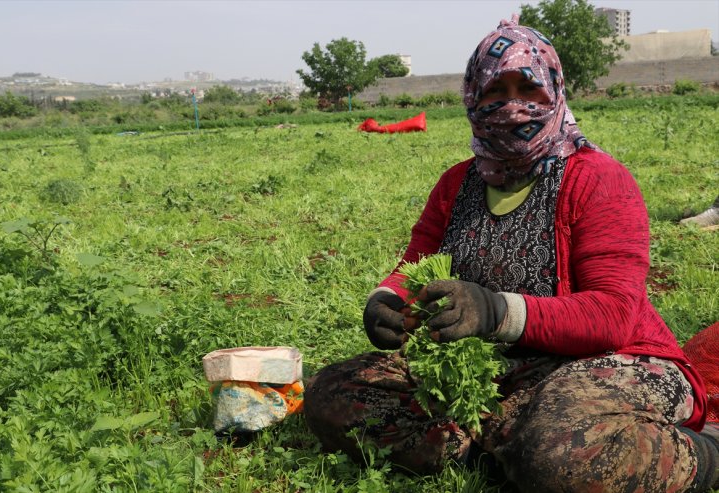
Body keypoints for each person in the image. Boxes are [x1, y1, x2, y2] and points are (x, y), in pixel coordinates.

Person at [303, 15, 718, 493]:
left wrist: (496, 310)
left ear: (554, 92)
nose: (512, 105)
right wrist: (387, 301)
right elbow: (414, 264)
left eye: (529, 88)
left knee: (558, 452)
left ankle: (705, 452)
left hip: (606, 361)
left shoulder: (597, 179)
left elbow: (614, 315)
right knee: (333, 392)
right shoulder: (458, 184)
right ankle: (501, 445)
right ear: (472, 97)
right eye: (495, 90)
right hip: (501, 370)